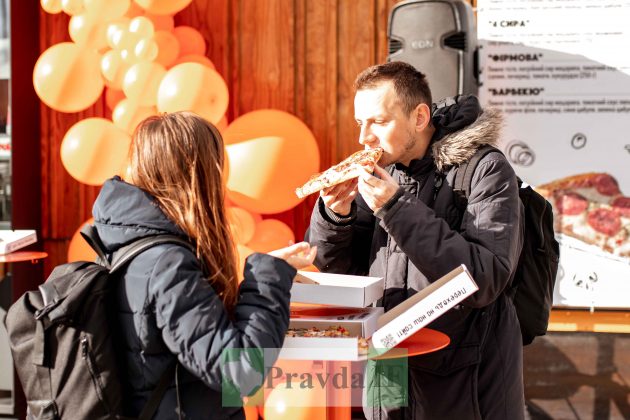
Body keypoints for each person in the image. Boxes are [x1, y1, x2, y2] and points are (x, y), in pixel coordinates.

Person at [305, 61, 525, 419]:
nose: (364, 137)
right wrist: (336, 217)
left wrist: (395, 207)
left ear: (420, 118)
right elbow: (340, 277)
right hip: (387, 375)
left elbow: (485, 279)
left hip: (463, 383)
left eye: (378, 121)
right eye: (360, 122)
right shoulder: (377, 174)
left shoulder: (485, 169)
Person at [92, 111, 316, 419]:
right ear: (199, 177)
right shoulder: (167, 265)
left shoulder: (124, 241)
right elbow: (239, 371)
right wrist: (267, 277)